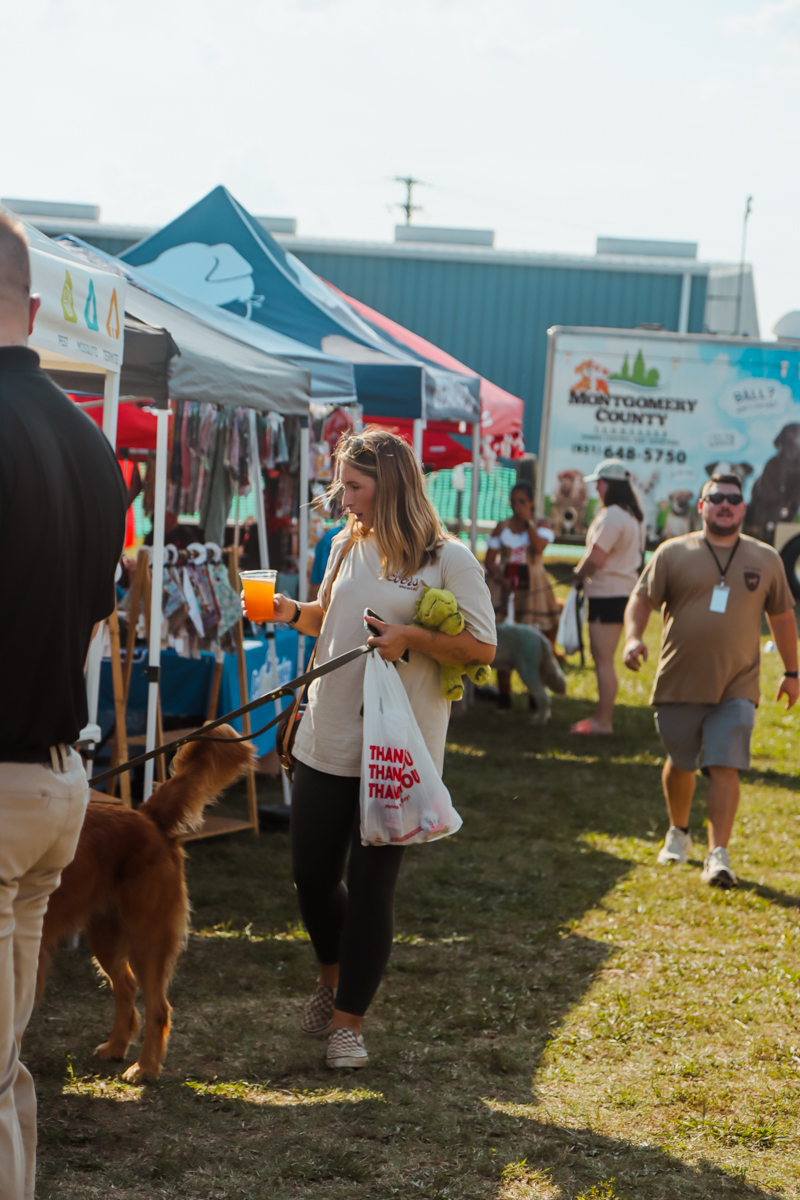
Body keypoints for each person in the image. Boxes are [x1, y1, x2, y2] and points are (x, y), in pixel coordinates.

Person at [243, 428, 496, 1068]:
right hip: (327, 732)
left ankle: (348, 1026)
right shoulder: (344, 544)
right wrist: (286, 610)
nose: (344, 498)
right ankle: (330, 979)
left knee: (371, 884)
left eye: (353, 487)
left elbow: (483, 648)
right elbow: (326, 618)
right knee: (311, 877)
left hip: (398, 750)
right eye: (343, 486)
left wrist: (412, 637)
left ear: (392, 485)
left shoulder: (448, 558)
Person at [0, 214, 126, 1199]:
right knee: (2, 1065)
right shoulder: (91, 443)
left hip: (9, 779)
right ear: (35, 306)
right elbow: (92, 611)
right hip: (54, 783)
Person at [623, 474, 798, 888]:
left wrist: (792, 673)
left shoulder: (766, 558)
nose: (725, 504)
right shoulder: (672, 552)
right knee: (681, 762)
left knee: (725, 764)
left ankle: (718, 854)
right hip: (679, 679)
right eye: (716, 497)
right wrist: (633, 637)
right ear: (701, 506)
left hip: (737, 683)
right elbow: (642, 599)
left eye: (733, 499)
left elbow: (782, 617)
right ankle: (679, 831)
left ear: (743, 508)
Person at [571, 459, 646, 734]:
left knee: (603, 660)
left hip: (607, 593)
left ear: (611, 485)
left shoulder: (613, 515)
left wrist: (578, 574)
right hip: (620, 591)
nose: (596, 489)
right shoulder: (631, 515)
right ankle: (603, 718)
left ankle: (603, 721)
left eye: (600, 483)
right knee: (605, 659)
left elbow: (597, 557)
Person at [485, 479, 559, 710]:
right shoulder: (502, 526)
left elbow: (539, 547)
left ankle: (535, 696)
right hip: (504, 587)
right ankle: (504, 693)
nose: (517, 506)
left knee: (532, 638)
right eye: (514, 501)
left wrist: (528, 522)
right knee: (504, 637)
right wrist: (501, 578)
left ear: (532, 502)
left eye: (522, 501)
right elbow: (489, 560)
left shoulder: (541, 524)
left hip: (532, 588)